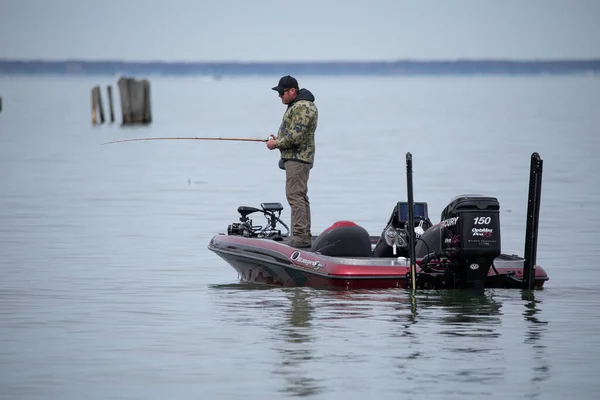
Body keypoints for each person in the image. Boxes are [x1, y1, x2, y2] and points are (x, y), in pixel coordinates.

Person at [266, 75, 318, 248]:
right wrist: (279, 138)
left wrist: (276, 144)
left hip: (298, 159)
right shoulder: (297, 105)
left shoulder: (303, 107)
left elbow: (296, 137)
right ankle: (303, 235)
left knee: (295, 197)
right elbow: (293, 134)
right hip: (296, 158)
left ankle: (301, 238)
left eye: (282, 93)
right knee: (299, 196)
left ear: (292, 91)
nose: (279, 96)